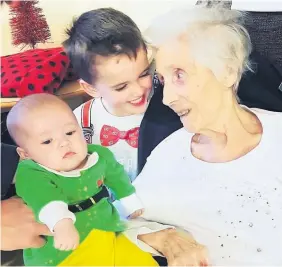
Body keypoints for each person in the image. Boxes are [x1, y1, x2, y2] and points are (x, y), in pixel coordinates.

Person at [130, 5, 282, 265]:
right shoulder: (167, 157)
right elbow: (113, 220)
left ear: (228, 71)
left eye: (180, 75)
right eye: (163, 81)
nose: (166, 99)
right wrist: (158, 237)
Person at [6, 93, 151, 266]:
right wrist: (61, 223)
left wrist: (128, 200)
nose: (64, 142)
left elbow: (116, 175)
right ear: (26, 154)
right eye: (47, 141)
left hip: (106, 229)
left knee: (140, 260)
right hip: (62, 251)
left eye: (70, 132)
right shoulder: (31, 173)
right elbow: (45, 198)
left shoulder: (98, 155)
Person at [63, 8, 154, 182]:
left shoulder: (165, 105)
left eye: (144, 74)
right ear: (91, 89)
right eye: (121, 87)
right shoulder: (81, 121)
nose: (139, 90)